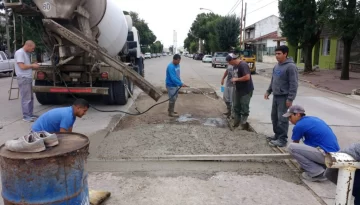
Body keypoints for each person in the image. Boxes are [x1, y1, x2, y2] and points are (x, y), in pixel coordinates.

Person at [284, 105, 340, 182]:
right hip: (335, 155)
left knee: (291, 147)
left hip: (328, 156)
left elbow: (295, 144)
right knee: (303, 151)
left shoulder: (299, 125)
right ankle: (323, 167)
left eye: (290, 117)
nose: (289, 120)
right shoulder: (312, 119)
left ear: (297, 114)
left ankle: (317, 173)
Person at [265, 45, 298, 147]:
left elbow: (294, 84)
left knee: (282, 119)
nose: (277, 56)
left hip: (284, 97)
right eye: (276, 54)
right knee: (274, 117)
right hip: (276, 96)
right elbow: (273, 80)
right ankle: (277, 135)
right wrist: (268, 91)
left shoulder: (291, 67)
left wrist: (290, 98)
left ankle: (282, 139)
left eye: (279, 54)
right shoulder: (277, 66)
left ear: (285, 54)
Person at [226, 53, 254, 129]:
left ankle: (243, 124)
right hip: (238, 89)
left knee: (244, 107)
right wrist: (234, 80)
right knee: (236, 106)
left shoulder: (243, 65)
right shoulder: (235, 66)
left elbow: (247, 77)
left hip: (246, 90)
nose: (229, 64)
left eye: (229, 62)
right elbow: (236, 76)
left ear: (232, 60)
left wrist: (237, 79)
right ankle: (236, 123)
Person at [14, 40, 40, 122]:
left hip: (27, 78)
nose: (33, 50)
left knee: (30, 97)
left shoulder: (26, 53)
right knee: (26, 98)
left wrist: (33, 63)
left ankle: (30, 114)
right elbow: (22, 66)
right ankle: (26, 116)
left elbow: (26, 65)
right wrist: (33, 65)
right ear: (28, 46)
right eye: (32, 48)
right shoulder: (20, 53)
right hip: (23, 78)